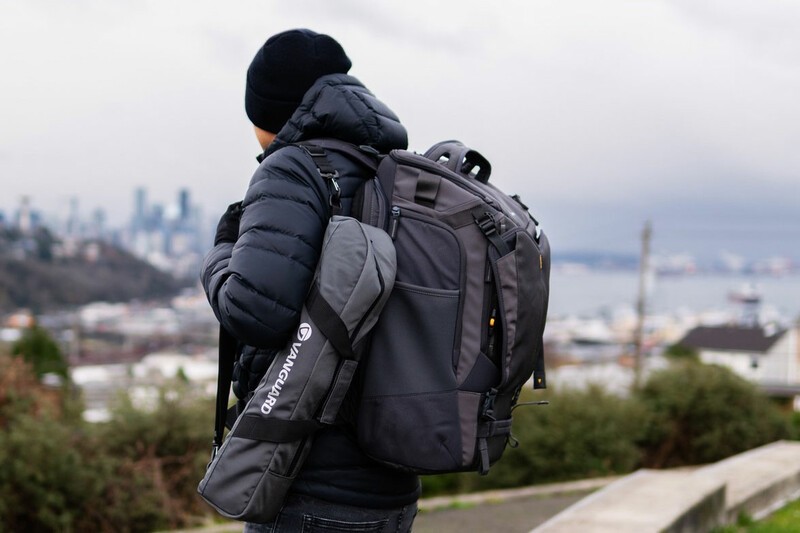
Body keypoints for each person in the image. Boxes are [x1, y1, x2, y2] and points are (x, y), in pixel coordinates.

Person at [200, 29, 420, 532]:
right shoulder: (392, 170)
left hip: (308, 480)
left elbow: (254, 311)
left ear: (266, 113)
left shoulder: (294, 170)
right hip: (391, 478)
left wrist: (217, 255)